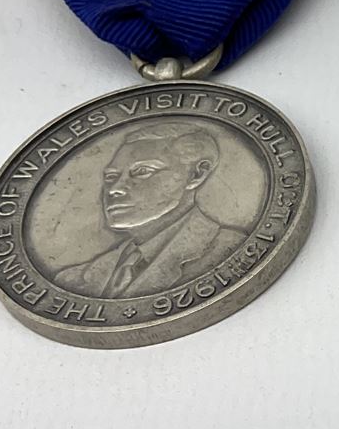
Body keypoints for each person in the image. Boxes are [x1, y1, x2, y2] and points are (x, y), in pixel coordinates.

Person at [55, 126, 249, 299]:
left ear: (196, 175)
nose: (115, 188)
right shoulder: (72, 278)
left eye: (142, 171)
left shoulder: (233, 249)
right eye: (111, 176)